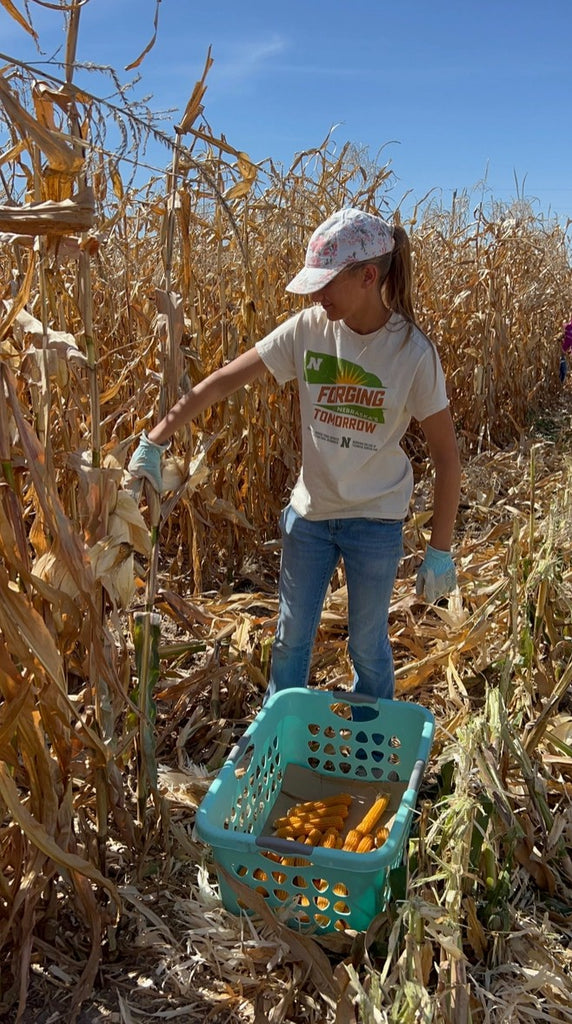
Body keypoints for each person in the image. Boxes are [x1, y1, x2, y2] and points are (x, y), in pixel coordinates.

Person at [128, 208, 461, 704]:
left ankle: (367, 750)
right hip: (309, 517)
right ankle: (283, 740)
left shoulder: (412, 353)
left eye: (326, 283)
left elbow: (447, 457)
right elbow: (223, 380)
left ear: (368, 276)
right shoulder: (308, 330)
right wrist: (154, 438)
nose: (315, 295)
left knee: (368, 648)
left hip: (376, 523)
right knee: (289, 643)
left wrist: (440, 550)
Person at [560, 318, 572, 383]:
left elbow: (563, 326)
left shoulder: (568, 326)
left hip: (563, 351)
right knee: (563, 369)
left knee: (563, 369)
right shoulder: (568, 326)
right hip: (563, 352)